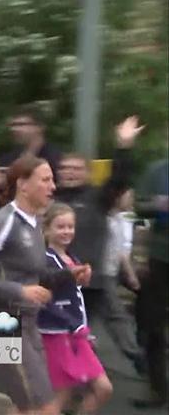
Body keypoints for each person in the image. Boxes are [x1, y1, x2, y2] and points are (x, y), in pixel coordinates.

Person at [0, 154, 84, 415]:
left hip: (29, 323)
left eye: (52, 180)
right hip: (2, 322)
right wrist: (20, 291)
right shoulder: (3, 222)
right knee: (44, 406)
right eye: (46, 180)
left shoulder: (37, 224)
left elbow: (35, 275)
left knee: (26, 406)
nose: (53, 186)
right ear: (23, 184)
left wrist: (69, 275)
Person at [54, 116, 145, 372]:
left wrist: (124, 147)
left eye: (75, 168)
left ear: (87, 173)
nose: (69, 173)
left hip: (89, 281)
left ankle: (131, 361)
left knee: (83, 332)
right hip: (55, 279)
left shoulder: (98, 197)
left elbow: (120, 179)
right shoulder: (50, 196)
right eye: (64, 169)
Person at [37, 203, 112, 414]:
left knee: (103, 389)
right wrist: (74, 326)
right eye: (60, 227)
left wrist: (82, 329)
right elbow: (46, 302)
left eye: (70, 227)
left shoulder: (73, 259)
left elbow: (74, 300)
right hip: (57, 336)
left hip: (77, 336)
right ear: (47, 229)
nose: (67, 231)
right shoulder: (46, 260)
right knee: (61, 397)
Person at [131, 156, 168, 409]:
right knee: (152, 324)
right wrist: (156, 203)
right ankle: (157, 390)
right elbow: (137, 206)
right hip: (159, 256)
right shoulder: (157, 169)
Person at [0, 109, 62, 178]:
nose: (14, 129)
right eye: (13, 125)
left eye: (21, 124)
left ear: (40, 127)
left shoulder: (55, 159)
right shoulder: (8, 159)